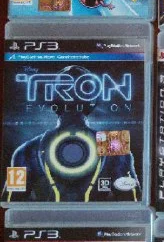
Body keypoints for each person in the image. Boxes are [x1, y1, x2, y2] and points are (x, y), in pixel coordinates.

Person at [2, 65, 140, 203]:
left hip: (50, 217)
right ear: (92, 101)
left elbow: (10, 204)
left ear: (53, 101)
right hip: (92, 217)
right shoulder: (114, 145)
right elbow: (133, 203)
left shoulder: (26, 149)